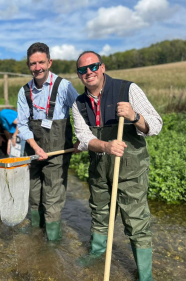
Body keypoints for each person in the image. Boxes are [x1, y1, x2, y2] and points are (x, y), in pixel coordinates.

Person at [72, 51, 163, 280]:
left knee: (136, 222)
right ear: (78, 75)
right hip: (100, 171)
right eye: (83, 70)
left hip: (131, 171)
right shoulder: (79, 104)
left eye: (93, 67)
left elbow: (156, 126)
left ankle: (145, 275)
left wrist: (135, 116)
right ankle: (97, 253)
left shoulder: (128, 89)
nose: (89, 72)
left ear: (102, 67)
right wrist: (105, 146)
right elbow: (84, 139)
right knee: (100, 215)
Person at [16, 42, 79, 241]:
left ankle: (52, 242)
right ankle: (36, 232)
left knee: (52, 197)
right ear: (28, 66)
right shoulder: (23, 92)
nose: (38, 68)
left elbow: (79, 113)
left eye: (41, 62)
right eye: (33, 64)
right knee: (34, 193)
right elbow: (23, 125)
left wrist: (81, 140)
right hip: (33, 151)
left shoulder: (64, 86)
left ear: (49, 62)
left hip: (58, 151)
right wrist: (36, 148)